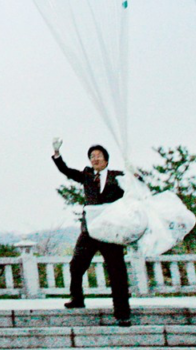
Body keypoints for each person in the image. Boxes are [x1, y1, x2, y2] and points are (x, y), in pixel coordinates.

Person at [52, 139, 131, 327]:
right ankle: (77, 298)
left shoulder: (118, 176)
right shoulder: (87, 175)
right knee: (76, 265)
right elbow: (67, 171)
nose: (94, 159)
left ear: (106, 159)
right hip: (90, 230)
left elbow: (135, 189)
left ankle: (122, 313)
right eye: (92, 156)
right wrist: (57, 154)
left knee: (117, 271)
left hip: (111, 230)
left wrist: (134, 174)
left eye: (98, 155)